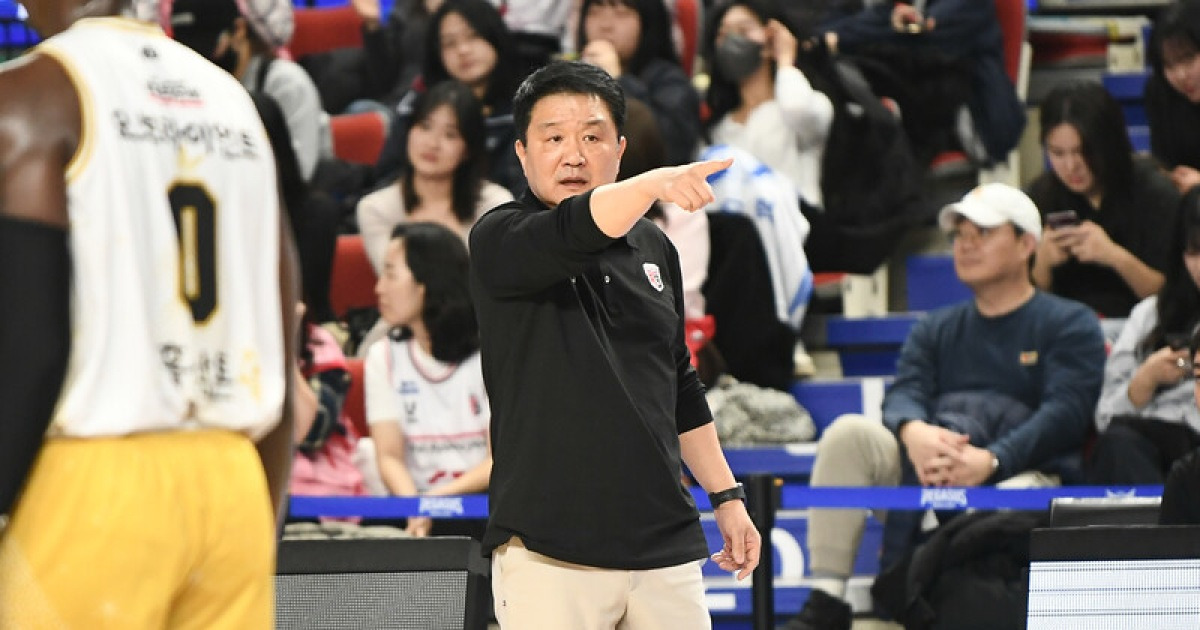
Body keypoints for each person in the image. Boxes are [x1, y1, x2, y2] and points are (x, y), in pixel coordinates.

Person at [0, 0, 296, 627]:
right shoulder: (231, 98)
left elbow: (30, 345)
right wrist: (258, 523)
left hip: (92, 480)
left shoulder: (33, 93)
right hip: (233, 481)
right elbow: (280, 325)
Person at [468, 60, 760, 628]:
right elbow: (578, 229)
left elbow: (678, 380)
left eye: (592, 137)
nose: (573, 155)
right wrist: (651, 185)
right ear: (523, 153)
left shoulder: (654, 245)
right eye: (553, 138)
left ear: (620, 149)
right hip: (549, 549)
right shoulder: (500, 237)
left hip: (664, 545)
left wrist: (726, 496)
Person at [783, 183, 1105, 630]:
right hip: (935, 460)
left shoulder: (1070, 322)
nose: (966, 244)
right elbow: (904, 393)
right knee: (849, 435)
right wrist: (916, 433)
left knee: (1015, 493)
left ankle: (942, 592)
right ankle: (827, 599)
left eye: (983, 232)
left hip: (1024, 472)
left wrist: (992, 461)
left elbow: (1066, 412)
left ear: (1026, 244)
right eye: (959, 234)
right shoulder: (935, 327)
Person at [358, 221, 491, 538]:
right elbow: (388, 456)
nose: (379, 288)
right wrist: (415, 506)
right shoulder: (383, 357)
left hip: (479, 503)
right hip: (412, 502)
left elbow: (501, 460)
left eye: (391, 274)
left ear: (426, 283)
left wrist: (435, 502)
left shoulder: (491, 353)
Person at [1027, 80, 1178, 319]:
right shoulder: (1041, 196)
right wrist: (1043, 264)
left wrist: (1114, 257)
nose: (1071, 166)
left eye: (1083, 152)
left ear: (1108, 144)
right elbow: (1024, 308)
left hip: (1144, 328)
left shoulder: (1154, 193)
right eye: (1057, 153)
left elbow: (1177, 299)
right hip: (1067, 330)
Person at [818, 0, 1024, 166]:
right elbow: (818, 34)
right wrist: (883, 21)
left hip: (968, 116)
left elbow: (919, 37)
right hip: (904, 101)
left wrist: (846, 36)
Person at [1089, 188, 1200, 485]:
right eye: (1194, 252)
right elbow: (1104, 417)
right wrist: (1143, 382)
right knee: (1118, 443)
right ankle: (1160, 531)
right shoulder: (1150, 314)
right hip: (1152, 442)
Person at [357, 79, 512, 271]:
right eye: (425, 127)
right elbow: (395, 281)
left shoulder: (494, 206)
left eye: (450, 135)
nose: (432, 144)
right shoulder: (376, 209)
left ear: (468, 149)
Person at [170, 0, 330, 185]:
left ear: (239, 30)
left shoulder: (285, 83)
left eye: (207, 48)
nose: (201, 61)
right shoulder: (186, 88)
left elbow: (300, 174)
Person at [375, 0, 526, 195]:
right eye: (449, 43)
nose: (463, 50)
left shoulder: (525, 108)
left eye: (473, 36)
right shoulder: (417, 106)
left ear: (495, 38)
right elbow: (387, 177)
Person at [701, 0, 832, 209]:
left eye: (743, 30)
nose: (732, 41)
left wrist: (786, 60)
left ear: (771, 40)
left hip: (801, 234)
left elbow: (797, 109)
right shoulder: (718, 128)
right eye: (723, 34)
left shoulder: (808, 104)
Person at [576, 0, 702, 167]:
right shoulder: (570, 77)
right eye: (595, 12)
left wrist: (618, 81)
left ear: (647, 22)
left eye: (621, 14)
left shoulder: (670, 81)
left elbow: (670, 149)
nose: (605, 25)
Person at [1144, 0, 1200, 194]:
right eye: (1170, 65)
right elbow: (1164, 164)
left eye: (1188, 58)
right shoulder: (1160, 92)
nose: (1181, 75)